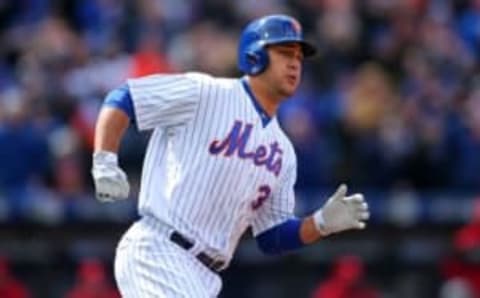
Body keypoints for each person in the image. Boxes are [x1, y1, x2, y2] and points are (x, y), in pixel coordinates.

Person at [91, 14, 370, 297]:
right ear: (255, 57)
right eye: (285, 53)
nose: (295, 63)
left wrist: (320, 223)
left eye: (299, 56)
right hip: (158, 249)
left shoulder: (284, 152)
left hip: (205, 276)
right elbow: (125, 97)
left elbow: (271, 237)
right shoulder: (206, 92)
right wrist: (104, 160)